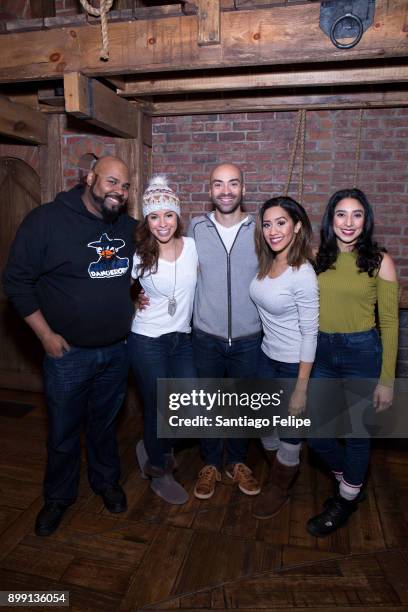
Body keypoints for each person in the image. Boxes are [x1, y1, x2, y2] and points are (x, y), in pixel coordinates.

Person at [2, 156, 136, 536]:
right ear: (90, 178)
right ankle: (59, 497)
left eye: (125, 187)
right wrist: (45, 335)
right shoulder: (45, 222)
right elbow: (16, 282)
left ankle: (105, 481)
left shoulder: (127, 227)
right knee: (62, 431)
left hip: (116, 351)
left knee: (105, 426)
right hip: (67, 354)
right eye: (112, 182)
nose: (119, 192)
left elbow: (153, 262)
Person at [306, 188, 398, 537]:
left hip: (362, 352)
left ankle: (344, 501)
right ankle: (353, 483)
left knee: (357, 435)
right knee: (317, 436)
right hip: (322, 353)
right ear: (331, 219)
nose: (348, 222)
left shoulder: (379, 261)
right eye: (341, 214)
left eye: (356, 214)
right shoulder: (316, 257)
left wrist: (386, 380)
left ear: (366, 220)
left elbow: (389, 324)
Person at [188, 163, 262, 500]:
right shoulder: (195, 227)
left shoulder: (261, 228)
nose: (226, 190)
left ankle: (235, 462)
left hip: (249, 337)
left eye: (233, 184)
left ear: (243, 189)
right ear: (210, 190)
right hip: (206, 335)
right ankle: (209, 464)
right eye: (218, 184)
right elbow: (176, 266)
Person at [129, 175, 198, 504]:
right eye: (154, 216)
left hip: (182, 339)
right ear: (147, 219)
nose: (162, 223)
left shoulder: (193, 247)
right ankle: (159, 469)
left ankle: (151, 444)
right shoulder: (140, 253)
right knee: (159, 408)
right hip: (146, 340)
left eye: (168, 215)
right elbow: (111, 287)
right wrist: (132, 300)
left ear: (177, 215)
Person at [249, 196, 318, 519]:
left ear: (297, 226)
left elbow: (310, 333)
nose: (273, 230)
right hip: (266, 355)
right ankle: (282, 472)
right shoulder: (269, 262)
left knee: (290, 433)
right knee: (264, 424)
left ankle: (280, 486)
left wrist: (302, 388)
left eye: (281, 222)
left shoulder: (302, 273)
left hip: (293, 364)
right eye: (267, 223)